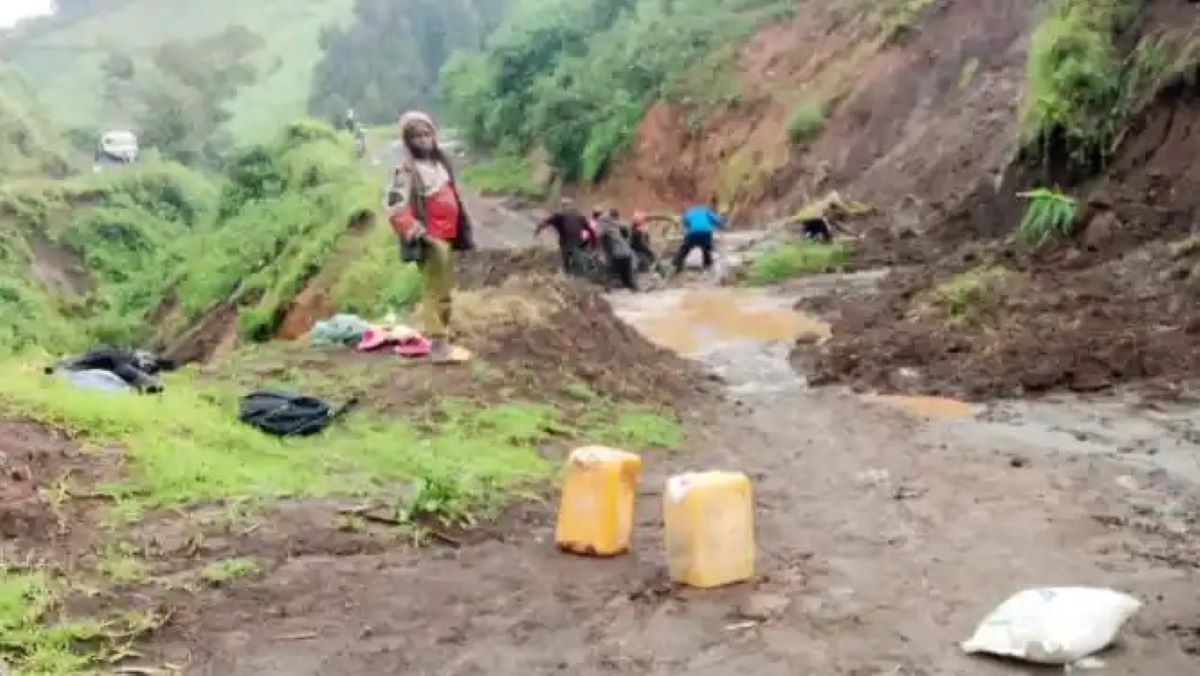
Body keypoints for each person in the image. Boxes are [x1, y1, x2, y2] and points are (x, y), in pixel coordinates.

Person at [385, 110, 475, 364]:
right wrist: (419, 233)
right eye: (416, 137)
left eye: (427, 134)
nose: (424, 140)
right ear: (408, 141)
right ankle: (437, 344)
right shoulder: (405, 171)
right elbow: (394, 207)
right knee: (435, 290)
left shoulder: (440, 164)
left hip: (447, 236)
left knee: (445, 290)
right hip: (430, 238)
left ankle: (442, 338)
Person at [536, 200, 591, 276]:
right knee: (573, 257)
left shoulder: (561, 215)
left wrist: (538, 229)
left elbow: (546, 222)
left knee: (570, 258)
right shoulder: (578, 215)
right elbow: (589, 229)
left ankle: (573, 273)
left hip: (569, 241)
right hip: (574, 241)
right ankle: (574, 273)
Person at [674, 201, 725, 272]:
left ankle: (677, 264)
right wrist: (723, 226)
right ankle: (707, 265)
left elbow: (685, 222)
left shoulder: (690, 212)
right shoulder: (707, 211)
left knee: (685, 248)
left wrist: (686, 229)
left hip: (693, 233)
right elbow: (716, 221)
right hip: (705, 233)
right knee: (706, 249)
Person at [598, 208, 638, 291]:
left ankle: (610, 286)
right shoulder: (611, 225)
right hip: (618, 252)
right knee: (627, 265)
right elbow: (624, 230)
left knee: (611, 267)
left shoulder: (604, 224)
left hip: (615, 251)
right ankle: (632, 285)